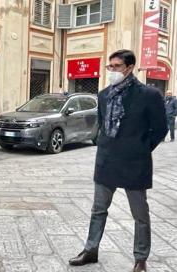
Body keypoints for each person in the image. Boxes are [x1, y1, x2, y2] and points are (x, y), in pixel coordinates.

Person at [69, 50, 167, 272]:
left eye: (116, 66)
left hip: (135, 162)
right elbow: (103, 125)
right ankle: (90, 250)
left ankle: (141, 258)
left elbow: (161, 128)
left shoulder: (148, 95)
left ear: (130, 67)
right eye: (109, 66)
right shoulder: (104, 94)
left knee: (140, 214)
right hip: (107, 160)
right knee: (98, 210)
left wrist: (141, 148)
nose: (112, 70)